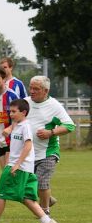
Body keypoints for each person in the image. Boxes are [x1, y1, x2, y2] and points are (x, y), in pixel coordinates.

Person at [0, 98, 59, 223]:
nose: (11, 114)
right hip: (24, 168)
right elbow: (13, 138)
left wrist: (17, 164)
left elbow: (28, 145)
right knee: (27, 198)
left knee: (1, 193)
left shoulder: (26, 126)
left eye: (14, 112)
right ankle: (48, 222)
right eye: (10, 111)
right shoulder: (17, 124)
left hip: (19, 167)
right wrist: (8, 130)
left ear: (23, 112)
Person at [25, 75, 76, 214]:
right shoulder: (25, 103)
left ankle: (45, 211)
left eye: (36, 89)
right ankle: (49, 199)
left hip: (48, 152)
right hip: (29, 152)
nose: (32, 91)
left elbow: (70, 126)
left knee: (41, 181)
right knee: (27, 184)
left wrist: (51, 132)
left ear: (45, 91)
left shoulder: (54, 106)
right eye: (31, 88)